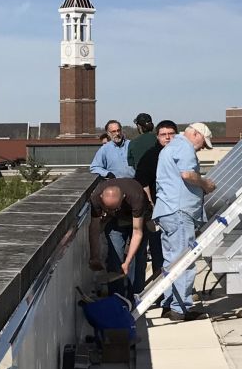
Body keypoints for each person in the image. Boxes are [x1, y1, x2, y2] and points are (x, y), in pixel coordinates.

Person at [152, 121, 217, 321]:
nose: (202, 148)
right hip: (179, 212)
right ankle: (180, 309)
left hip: (167, 210)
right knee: (184, 262)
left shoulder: (171, 147)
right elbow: (187, 174)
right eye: (203, 144)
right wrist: (205, 183)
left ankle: (169, 304)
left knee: (172, 261)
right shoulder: (185, 147)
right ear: (195, 134)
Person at [87, 177, 150, 295]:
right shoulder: (95, 197)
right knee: (115, 259)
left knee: (137, 259)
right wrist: (94, 256)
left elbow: (137, 232)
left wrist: (127, 261)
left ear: (123, 197)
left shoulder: (135, 195)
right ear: (101, 197)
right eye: (109, 208)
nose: (113, 210)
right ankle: (116, 297)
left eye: (116, 207)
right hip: (115, 221)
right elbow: (94, 228)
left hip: (139, 220)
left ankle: (135, 296)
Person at [134, 120, 176, 279]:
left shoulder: (181, 154)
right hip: (158, 212)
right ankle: (162, 292)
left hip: (178, 211)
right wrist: (152, 205)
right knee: (159, 253)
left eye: (171, 134)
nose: (167, 138)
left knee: (178, 253)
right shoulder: (151, 156)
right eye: (163, 135)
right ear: (157, 137)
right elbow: (142, 181)